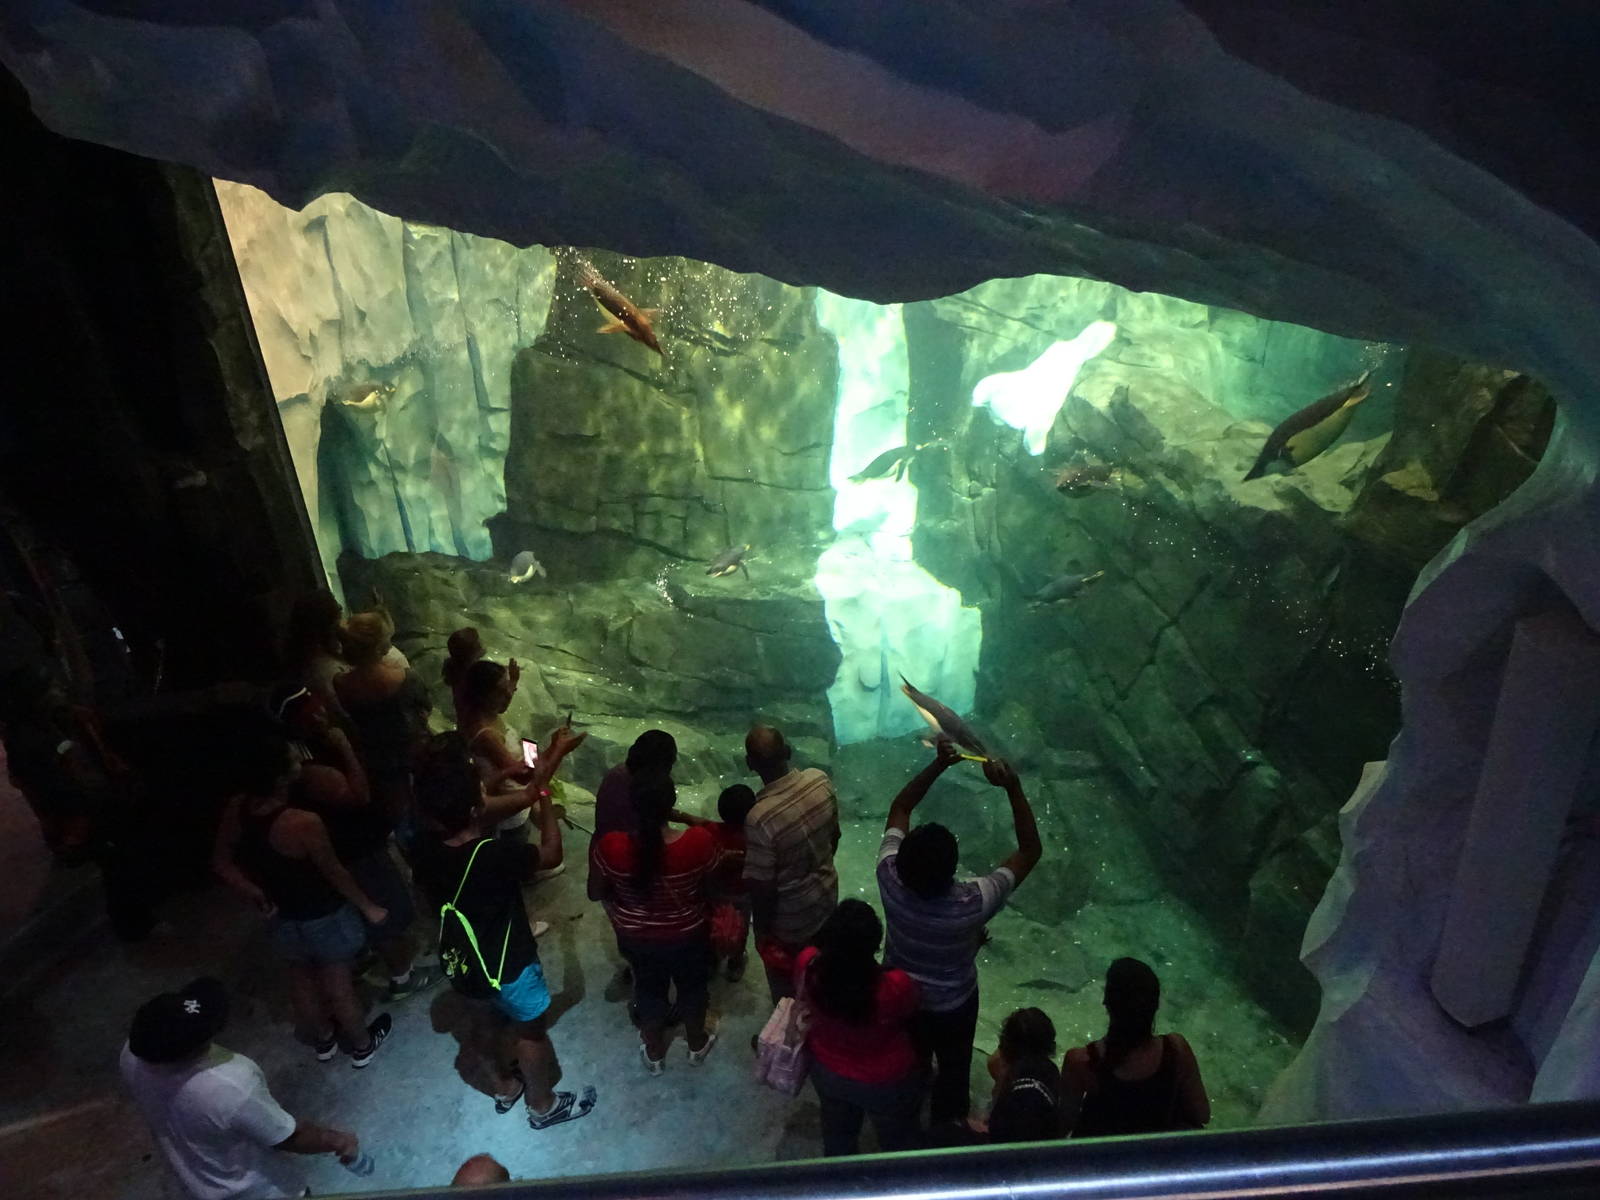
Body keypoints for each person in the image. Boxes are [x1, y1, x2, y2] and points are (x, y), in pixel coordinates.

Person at [411, 730, 595, 1130]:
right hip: (508, 962)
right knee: (531, 1033)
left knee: (485, 1020)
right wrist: (545, 798)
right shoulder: (492, 855)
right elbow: (551, 854)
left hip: (463, 961)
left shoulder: (423, 846)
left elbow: (501, 799)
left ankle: (504, 1086)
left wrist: (546, 764)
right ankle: (543, 1104)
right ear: (477, 807)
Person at [877, 740, 1041, 1123]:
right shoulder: (975, 900)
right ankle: (948, 1127)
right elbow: (1030, 851)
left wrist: (938, 765)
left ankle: (904, 1113)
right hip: (955, 1003)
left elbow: (901, 807)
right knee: (954, 1070)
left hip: (901, 994)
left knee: (908, 1061)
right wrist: (1013, 787)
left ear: (902, 862)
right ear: (954, 871)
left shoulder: (887, 877)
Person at [212, 728, 393, 1066]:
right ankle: (362, 1044)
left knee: (299, 977)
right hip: (323, 913)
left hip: (281, 914)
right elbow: (333, 872)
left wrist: (256, 892)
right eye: (292, 758)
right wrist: (369, 907)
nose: (299, 759)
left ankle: (324, 1040)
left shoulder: (238, 807)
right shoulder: (302, 822)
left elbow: (221, 862)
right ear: (281, 777)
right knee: (337, 982)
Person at [120, 977, 362, 1200]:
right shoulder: (230, 1083)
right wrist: (338, 1141)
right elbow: (288, 1137)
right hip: (258, 1192)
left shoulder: (132, 1055)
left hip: (192, 1187)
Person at [276, 685, 432, 1001]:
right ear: (295, 721)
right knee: (387, 911)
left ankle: (367, 957)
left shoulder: (307, 749)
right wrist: (344, 747)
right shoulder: (309, 768)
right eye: (311, 713)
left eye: (318, 707)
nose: (321, 715)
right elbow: (358, 796)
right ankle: (403, 977)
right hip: (357, 851)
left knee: (375, 909)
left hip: (353, 846)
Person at [591, 771, 719, 1073]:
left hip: (636, 938)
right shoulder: (699, 842)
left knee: (648, 989)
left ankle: (654, 1051)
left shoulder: (612, 846)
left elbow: (596, 891)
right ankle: (696, 1044)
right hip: (688, 934)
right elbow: (712, 891)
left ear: (633, 806)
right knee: (693, 988)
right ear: (672, 803)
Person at [796, 899, 922, 1156]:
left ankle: (841, 1182)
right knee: (896, 1141)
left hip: (828, 1068)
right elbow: (909, 1013)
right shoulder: (895, 986)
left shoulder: (808, 966)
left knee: (837, 1136)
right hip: (886, 1079)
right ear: (874, 945)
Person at [742, 724, 840, 1001]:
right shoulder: (820, 780)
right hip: (827, 898)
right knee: (822, 973)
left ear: (750, 764)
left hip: (790, 923)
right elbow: (835, 837)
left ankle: (789, 1037)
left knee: (787, 988)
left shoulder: (760, 818)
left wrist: (762, 932)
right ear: (787, 752)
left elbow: (763, 888)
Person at [1064, 957, 1210, 1137]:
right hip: (1152, 1157)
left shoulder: (1081, 1061)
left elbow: (1064, 1123)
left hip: (1101, 1159)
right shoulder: (1176, 1049)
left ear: (1107, 1002)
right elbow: (1201, 1113)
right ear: (1155, 1005)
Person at [332, 611, 431, 840]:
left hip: (376, 756)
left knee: (395, 811)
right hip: (413, 752)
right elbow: (426, 707)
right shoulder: (406, 677)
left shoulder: (341, 682)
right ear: (379, 647)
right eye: (386, 637)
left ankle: (402, 842)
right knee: (422, 802)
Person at [933, 1007, 1062, 1146]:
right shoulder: (1050, 1070)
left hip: (1010, 1148)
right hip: (1025, 1133)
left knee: (946, 1132)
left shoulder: (1020, 1100)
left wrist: (980, 1128)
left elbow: (1004, 1139)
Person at [455, 659, 539, 849]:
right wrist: (533, 752)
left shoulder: (480, 712)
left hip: (507, 802)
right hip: (509, 816)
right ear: (485, 695)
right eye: (502, 690)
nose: (508, 693)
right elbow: (522, 776)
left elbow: (502, 706)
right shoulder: (487, 736)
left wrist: (513, 683)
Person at [710, 783, 757, 981]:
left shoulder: (712, 831)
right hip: (743, 894)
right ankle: (735, 961)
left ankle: (713, 958)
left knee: (713, 923)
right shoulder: (754, 837)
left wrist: (679, 816)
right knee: (740, 927)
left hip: (716, 891)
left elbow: (698, 823)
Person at [441, 627, 487, 721]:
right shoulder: (475, 677)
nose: (481, 643)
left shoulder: (451, 666)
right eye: (478, 642)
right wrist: (513, 682)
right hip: (475, 720)